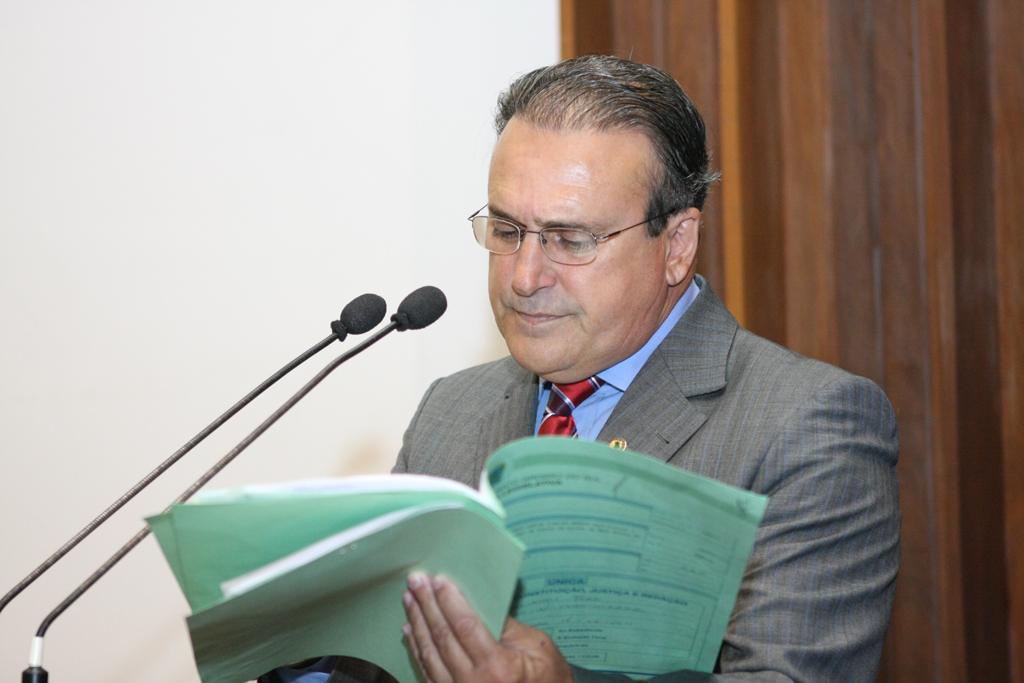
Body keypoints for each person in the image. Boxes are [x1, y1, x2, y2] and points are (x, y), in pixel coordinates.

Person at [282, 55, 900, 683]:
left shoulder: (808, 427)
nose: (524, 277)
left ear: (677, 245)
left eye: (571, 240)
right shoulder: (451, 411)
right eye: (507, 231)